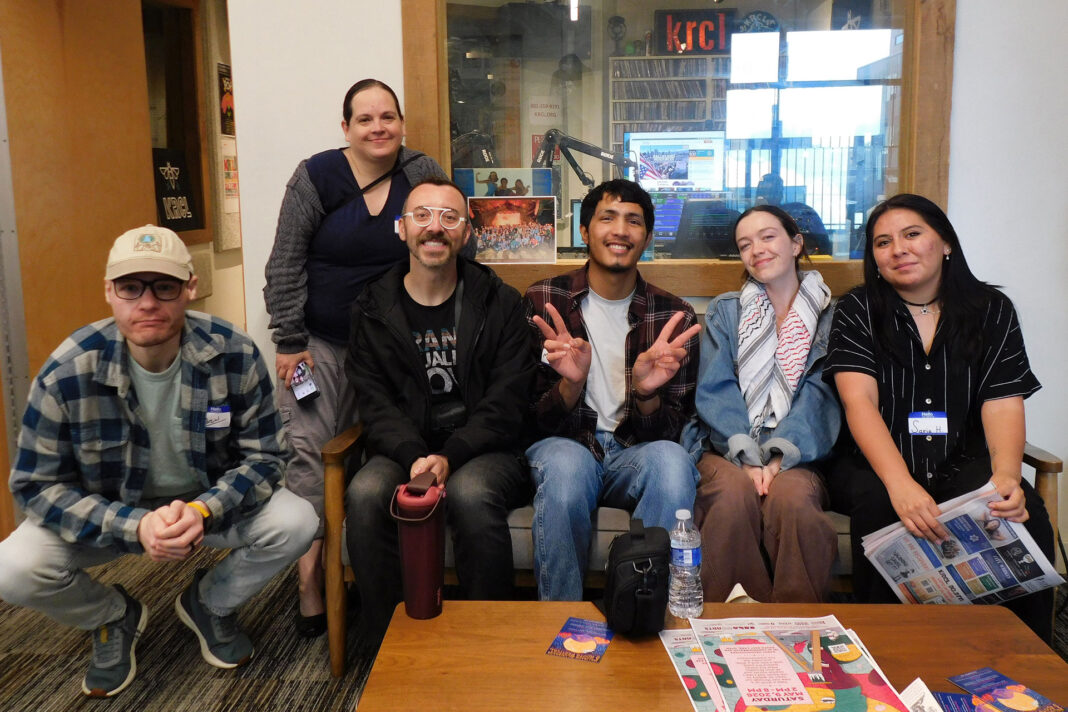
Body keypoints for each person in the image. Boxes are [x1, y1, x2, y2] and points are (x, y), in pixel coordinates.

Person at [0, 226, 315, 698]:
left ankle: (209, 602)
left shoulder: (233, 351)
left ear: (190, 287)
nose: (147, 303)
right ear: (109, 292)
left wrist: (202, 510)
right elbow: (34, 486)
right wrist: (134, 525)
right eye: (130, 288)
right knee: (13, 568)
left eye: (163, 286)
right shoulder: (68, 370)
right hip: (111, 515)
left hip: (206, 509)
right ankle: (112, 616)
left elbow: (266, 457)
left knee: (298, 521)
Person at [823, 193, 1055, 641]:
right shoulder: (857, 310)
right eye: (882, 242)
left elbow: (1003, 399)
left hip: (960, 456)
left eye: (912, 235)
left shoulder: (991, 310)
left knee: (1015, 510)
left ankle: (1025, 663)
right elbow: (860, 403)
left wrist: (1005, 475)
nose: (898, 250)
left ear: (945, 242)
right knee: (880, 508)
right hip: (874, 461)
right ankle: (887, 655)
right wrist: (901, 485)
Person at [263, 78, 447, 637]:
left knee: (384, 453)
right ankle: (311, 579)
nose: (378, 128)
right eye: (364, 119)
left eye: (387, 116)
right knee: (312, 457)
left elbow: (445, 236)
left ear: (402, 123)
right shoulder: (315, 176)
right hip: (321, 346)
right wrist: (289, 340)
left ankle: (373, 575)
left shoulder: (420, 172)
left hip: (396, 347)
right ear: (345, 127)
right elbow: (284, 262)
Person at [345, 178, 535, 638]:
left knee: (470, 494)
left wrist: (451, 456)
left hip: (485, 449)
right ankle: (388, 645)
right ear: (401, 228)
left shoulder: (501, 303)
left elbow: (507, 400)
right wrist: (415, 456)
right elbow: (374, 401)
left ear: (467, 233)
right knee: (367, 493)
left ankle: (487, 642)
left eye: (450, 217)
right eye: (422, 216)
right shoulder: (371, 307)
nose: (436, 227)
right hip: (402, 448)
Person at [523, 179, 702, 601]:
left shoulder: (673, 315)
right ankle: (562, 625)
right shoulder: (543, 300)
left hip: (633, 453)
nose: (620, 230)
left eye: (634, 221)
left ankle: (647, 613)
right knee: (567, 466)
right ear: (584, 232)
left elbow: (668, 433)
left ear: (648, 237)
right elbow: (529, 420)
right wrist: (572, 382)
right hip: (564, 446)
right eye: (608, 217)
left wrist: (645, 393)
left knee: (673, 462)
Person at [683, 205, 839, 603]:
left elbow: (821, 395)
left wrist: (778, 456)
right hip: (726, 444)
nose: (757, 250)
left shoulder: (831, 316)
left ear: (796, 243)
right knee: (733, 493)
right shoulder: (727, 310)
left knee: (793, 499)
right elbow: (715, 388)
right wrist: (747, 456)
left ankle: (798, 626)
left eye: (768, 237)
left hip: (801, 451)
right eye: (745, 244)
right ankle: (726, 623)